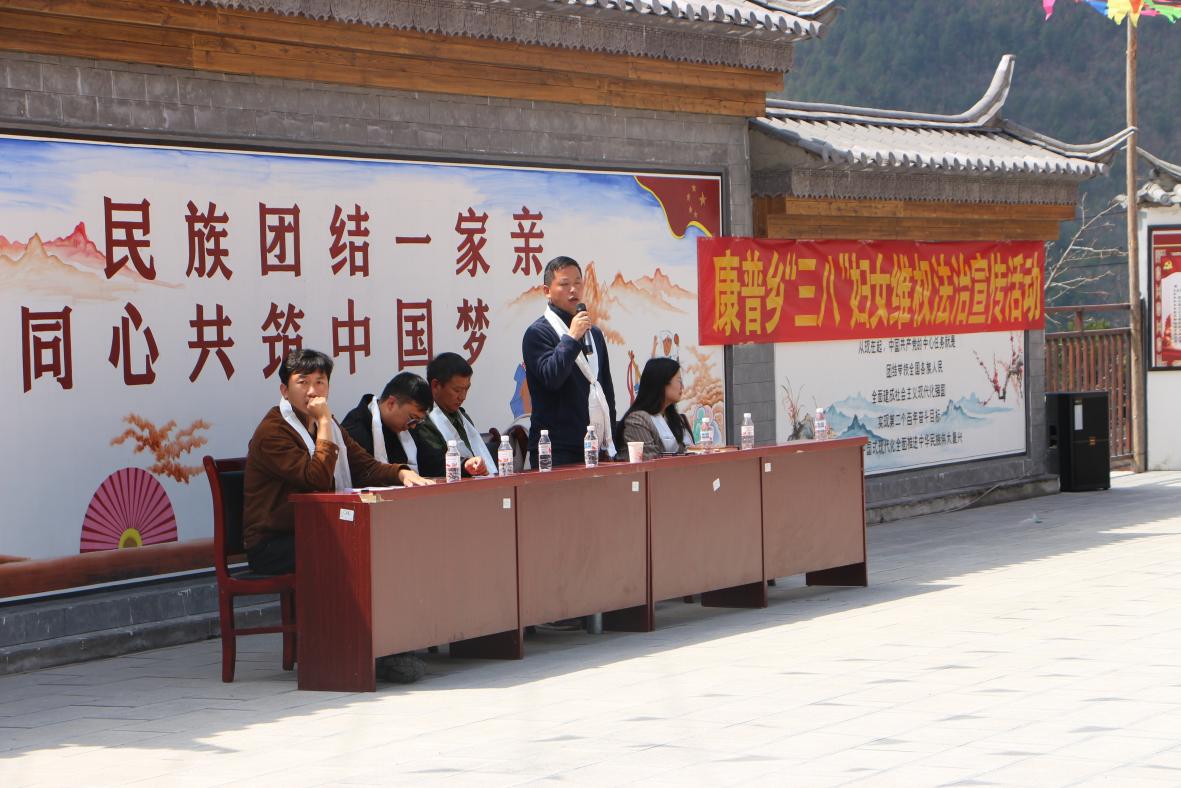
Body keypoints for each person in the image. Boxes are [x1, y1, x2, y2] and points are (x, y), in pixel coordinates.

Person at [242, 349, 430, 683]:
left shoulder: (326, 424)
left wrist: (401, 473)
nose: (313, 391)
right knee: (355, 551)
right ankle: (358, 652)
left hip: (316, 532)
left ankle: (389, 645)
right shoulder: (274, 431)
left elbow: (364, 466)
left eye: (320, 382)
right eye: (303, 382)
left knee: (384, 544)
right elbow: (315, 479)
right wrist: (326, 423)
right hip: (274, 542)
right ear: (285, 389)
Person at [521, 256, 616, 467]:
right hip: (556, 449)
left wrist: (611, 441)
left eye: (578, 283)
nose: (573, 290)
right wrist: (572, 337)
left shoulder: (594, 334)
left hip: (595, 445)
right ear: (547, 291)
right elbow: (551, 378)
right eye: (564, 284)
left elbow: (606, 389)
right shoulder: (537, 333)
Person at [340, 372, 441, 480]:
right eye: (412, 418)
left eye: (418, 421)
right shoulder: (355, 428)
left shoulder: (410, 427)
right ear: (391, 403)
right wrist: (399, 474)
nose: (413, 426)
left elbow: (432, 463)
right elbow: (361, 474)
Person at [416, 352, 494, 477]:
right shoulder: (422, 420)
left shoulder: (463, 416)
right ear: (435, 385)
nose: (463, 397)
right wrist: (465, 465)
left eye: (466, 389)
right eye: (457, 390)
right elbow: (433, 466)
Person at [616, 357, 688, 460]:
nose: (682, 386)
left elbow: (685, 452)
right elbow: (650, 461)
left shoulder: (673, 418)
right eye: (679, 381)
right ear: (662, 382)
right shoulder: (637, 420)